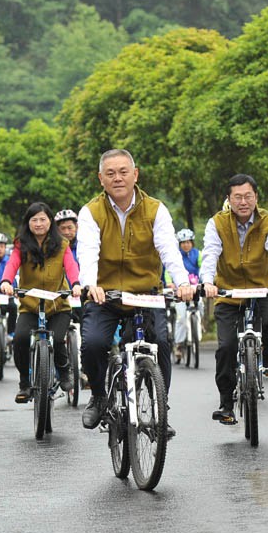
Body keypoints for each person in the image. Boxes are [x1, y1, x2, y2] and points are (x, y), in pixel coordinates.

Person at [75, 149, 194, 433]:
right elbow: (88, 252)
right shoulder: (90, 212)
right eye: (111, 173)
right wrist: (91, 284)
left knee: (161, 342)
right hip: (106, 294)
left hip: (145, 293)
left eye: (123, 172)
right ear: (101, 179)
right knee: (92, 343)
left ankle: (159, 408)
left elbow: (168, 250)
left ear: (135, 174)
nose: (118, 178)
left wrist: (182, 282)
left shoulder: (156, 209)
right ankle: (99, 397)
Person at [200, 174, 268, 425]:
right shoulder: (216, 223)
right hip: (228, 294)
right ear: (229, 199)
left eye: (248, 196)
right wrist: (208, 282)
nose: (243, 201)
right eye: (237, 197)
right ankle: (226, 403)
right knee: (226, 348)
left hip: (261, 289)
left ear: (256, 197)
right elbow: (210, 254)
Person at [0, 203, 80, 402]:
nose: (38, 223)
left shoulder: (62, 244)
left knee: (59, 339)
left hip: (58, 305)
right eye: (34, 220)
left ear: (50, 221)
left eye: (42, 219)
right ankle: (25, 383)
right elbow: (12, 264)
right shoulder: (21, 244)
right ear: (28, 223)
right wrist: (6, 281)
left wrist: (76, 283)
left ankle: (64, 372)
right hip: (30, 305)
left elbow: (70, 265)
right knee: (20, 339)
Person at [166, 228, 203, 361]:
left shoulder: (197, 254)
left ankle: (199, 323)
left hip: (194, 287)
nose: (186, 245)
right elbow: (169, 271)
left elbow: (203, 268)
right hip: (179, 289)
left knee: (201, 307)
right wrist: (170, 283)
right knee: (181, 318)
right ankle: (179, 344)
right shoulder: (176, 255)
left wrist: (205, 281)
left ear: (192, 243)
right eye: (183, 242)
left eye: (188, 242)